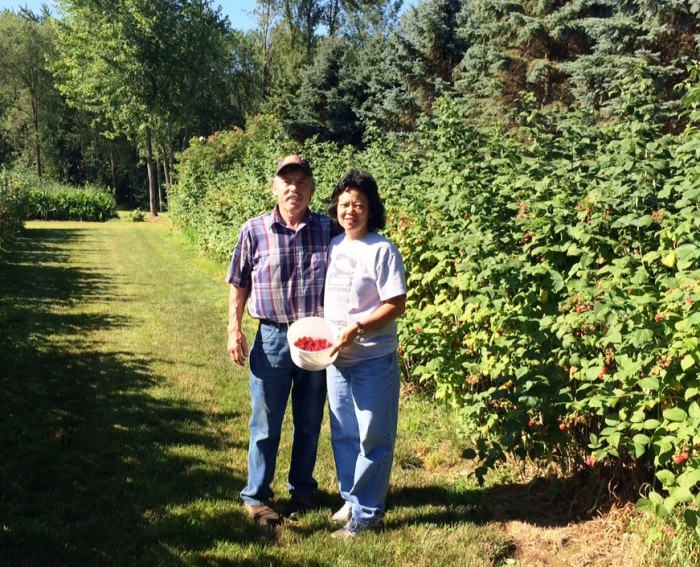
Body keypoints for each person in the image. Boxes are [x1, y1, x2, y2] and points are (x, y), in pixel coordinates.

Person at [226, 154, 337, 527]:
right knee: (265, 423)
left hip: (316, 338)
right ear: (274, 187)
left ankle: (302, 492)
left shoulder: (328, 229)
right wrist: (234, 328)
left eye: (302, 181)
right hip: (271, 337)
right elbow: (238, 282)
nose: (295, 188)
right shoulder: (254, 230)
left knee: (309, 420)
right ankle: (257, 496)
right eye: (287, 181)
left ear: (312, 189)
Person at [323, 170, 407, 538]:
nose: (350, 210)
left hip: (373, 359)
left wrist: (357, 328)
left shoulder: (382, 249)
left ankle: (369, 513)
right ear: (336, 209)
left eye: (358, 204)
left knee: (373, 436)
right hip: (336, 360)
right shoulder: (334, 245)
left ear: (371, 210)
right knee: (343, 434)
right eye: (344, 204)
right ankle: (351, 499)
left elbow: (396, 304)